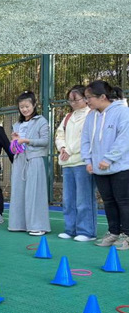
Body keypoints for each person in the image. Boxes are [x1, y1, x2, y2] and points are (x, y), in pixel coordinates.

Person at [81, 80, 129, 250]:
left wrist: (108, 159)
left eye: (89, 97)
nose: (87, 101)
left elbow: (124, 139)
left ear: (102, 97)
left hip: (120, 167)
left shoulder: (123, 112)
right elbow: (85, 139)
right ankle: (113, 232)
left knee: (123, 201)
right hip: (98, 169)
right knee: (108, 201)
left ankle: (127, 235)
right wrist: (88, 160)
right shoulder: (91, 116)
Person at [55, 85, 97, 242]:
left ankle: (87, 231)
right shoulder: (68, 117)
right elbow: (59, 134)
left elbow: (87, 137)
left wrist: (69, 150)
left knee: (84, 199)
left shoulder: (91, 114)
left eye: (76, 99)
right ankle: (70, 229)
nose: (73, 103)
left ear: (85, 99)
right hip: (67, 163)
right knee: (68, 199)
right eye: (70, 100)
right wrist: (62, 148)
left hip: (83, 161)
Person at [8, 91, 51, 236]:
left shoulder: (41, 121)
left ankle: (38, 226)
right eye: (21, 107)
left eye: (27, 106)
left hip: (34, 159)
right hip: (19, 161)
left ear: (34, 105)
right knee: (18, 192)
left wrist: (26, 140)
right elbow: (15, 147)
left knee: (35, 193)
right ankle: (18, 224)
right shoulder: (17, 124)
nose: (24, 109)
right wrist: (15, 141)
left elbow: (45, 141)